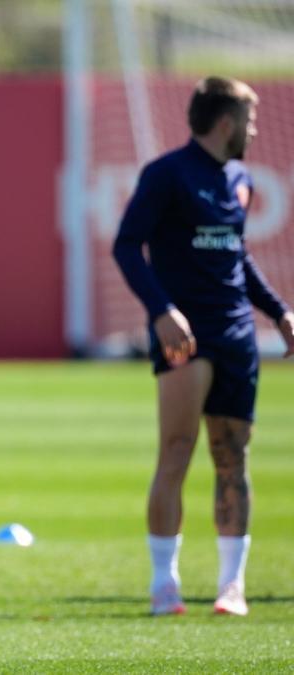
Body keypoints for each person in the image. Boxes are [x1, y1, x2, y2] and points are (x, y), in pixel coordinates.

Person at [112, 76, 294, 618]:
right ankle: (164, 584)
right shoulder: (167, 174)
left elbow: (236, 256)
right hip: (185, 335)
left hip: (237, 333)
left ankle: (230, 588)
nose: (255, 131)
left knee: (232, 455)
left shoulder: (241, 179)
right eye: (250, 120)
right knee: (177, 451)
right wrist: (161, 310)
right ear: (226, 123)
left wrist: (279, 312)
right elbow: (126, 245)